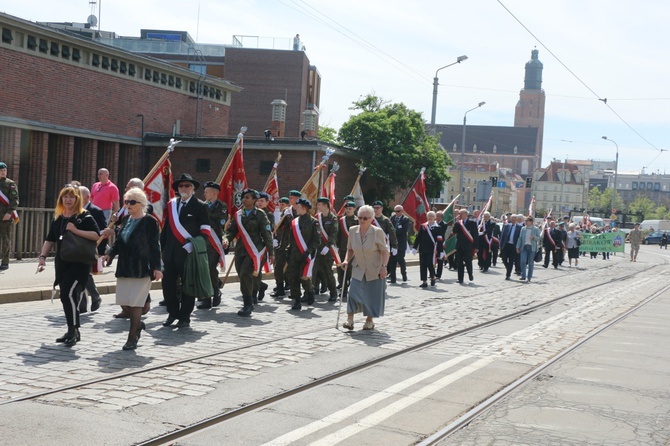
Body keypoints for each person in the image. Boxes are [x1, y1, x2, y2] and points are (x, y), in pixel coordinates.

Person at [37, 185, 100, 346]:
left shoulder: (84, 216)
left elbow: (95, 235)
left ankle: (73, 330)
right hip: (63, 262)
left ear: (77, 199)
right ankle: (73, 330)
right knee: (67, 296)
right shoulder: (59, 217)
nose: (68, 200)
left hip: (80, 263)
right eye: (65, 197)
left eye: (71, 197)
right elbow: (50, 239)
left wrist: (75, 230)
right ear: (61, 199)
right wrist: (42, 257)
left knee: (68, 294)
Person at [103, 188, 162, 350]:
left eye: (132, 202)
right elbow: (119, 242)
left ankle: (132, 337)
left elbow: (154, 246)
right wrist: (110, 254)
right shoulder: (126, 220)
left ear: (141, 204)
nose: (128, 205)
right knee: (124, 302)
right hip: (124, 266)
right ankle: (138, 325)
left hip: (142, 267)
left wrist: (157, 267)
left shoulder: (150, 221)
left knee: (136, 304)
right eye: (126, 202)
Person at [160, 173, 211, 328]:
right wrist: (162, 249)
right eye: (181, 186)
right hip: (170, 253)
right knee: (168, 286)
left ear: (193, 189)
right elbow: (167, 229)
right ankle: (172, 313)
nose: (184, 188)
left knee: (188, 286)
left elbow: (205, 230)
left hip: (188, 253)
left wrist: (193, 245)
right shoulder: (172, 205)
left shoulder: (200, 205)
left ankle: (185, 317)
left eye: (187, 185)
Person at [222, 189, 274, 317]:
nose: (244, 200)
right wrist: (226, 238)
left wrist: (271, 253)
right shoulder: (238, 214)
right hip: (241, 250)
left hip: (255, 250)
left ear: (254, 200)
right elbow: (231, 230)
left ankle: (248, 303)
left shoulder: (260, 215)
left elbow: (267, 235)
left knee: (246, 274)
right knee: (242, 275)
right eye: (243, 197)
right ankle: (253, 293)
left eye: (247, 197)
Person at [340, 205, 389, 331]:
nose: (362, 220)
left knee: (371, 296)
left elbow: (384, 251)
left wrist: (384, 266)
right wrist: (346, 260)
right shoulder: (353, 230)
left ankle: (369, 321)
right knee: (353, 293)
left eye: (365, 218)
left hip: (375, 269)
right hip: (358, 268)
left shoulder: (377, 232)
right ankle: (350, 320)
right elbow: (350, 249)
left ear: (372, 218)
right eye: (360, 217)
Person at [285, 198, 320, 311]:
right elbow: (291, 239)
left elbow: (316, 241)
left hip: (306, 255)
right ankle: (297, 300)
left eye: (298, 207)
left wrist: (308, 252)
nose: (296, 209)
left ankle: (310, 291)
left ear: (304, 208)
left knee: (304, 278)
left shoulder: (313, 222)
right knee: (293, 277)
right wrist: (288, 250)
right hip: (294, 255)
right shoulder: (294, 222)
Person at [197, 181, 228, 309]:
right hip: (202, 241)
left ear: (215, 193)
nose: (204, 193)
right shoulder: (202, 206)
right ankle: (207, 297)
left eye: (207, 191)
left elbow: (220, 223)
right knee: (203, 269)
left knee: (209, 268)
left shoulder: (221, 206)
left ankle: (214, 290)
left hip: (214, 242)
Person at [79, 186, 104, 313]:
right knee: (79, 274)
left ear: (87, 197)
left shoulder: (96, 211)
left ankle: (95, 297)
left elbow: (102, 232)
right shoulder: (74, 210)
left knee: (84, 274)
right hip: (77, 249)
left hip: (91, 248)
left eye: (79, 195)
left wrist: (102, 253)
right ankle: (82, 305)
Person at [314, 197, 339, 302]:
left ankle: (333, 293)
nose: (318, 206)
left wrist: (328, 246)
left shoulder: (333, 218)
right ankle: (313, 291)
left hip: (328, 249)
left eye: (319, 204)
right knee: (314, 270)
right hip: (317, 248)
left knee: (328, 271)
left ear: (325, 205)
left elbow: (334, 233)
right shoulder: (317, 217)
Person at [412, 211, 444, 288]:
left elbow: (440, 240)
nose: (430, 217)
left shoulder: (438, 227)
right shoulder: (423, 226)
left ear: (434, 217)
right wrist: (414, 247)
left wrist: (441, 251)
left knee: (430, 264)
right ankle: (424, 281)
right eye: (428, 216)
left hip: (432, 250)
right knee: (423, 265)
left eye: (431, 216)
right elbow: (418, 238)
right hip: (423, 249)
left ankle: (432, 277)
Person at [252, 191, 274, 303]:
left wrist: (271, 251)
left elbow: (270, 231)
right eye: (258, 201)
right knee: (247, 272)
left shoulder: (269, 215)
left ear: (267, 202)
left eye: (262, 201)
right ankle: (261, 286)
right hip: (250, 246)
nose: (259, 203)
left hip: (261, 247)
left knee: (256, 271)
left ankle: (253, 294)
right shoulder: (252, 213)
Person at [270, 197, 291, 298]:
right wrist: (274, 239)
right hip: (278, 245)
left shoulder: (288, 215)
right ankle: (280, 287)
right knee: (277, 267)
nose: (281, 206)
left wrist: (289, 216)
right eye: (280, 204)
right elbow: (274, 229)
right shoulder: (278, 215)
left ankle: (287, 284)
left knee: (286, 268)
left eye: (283, 204)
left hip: (286, 245)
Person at [336, 201, 357, 298]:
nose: (348, 210)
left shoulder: (357, 221)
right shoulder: (341, 220)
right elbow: (338, 234)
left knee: (351, 271)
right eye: (347, 209)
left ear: (354, 209)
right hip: (343, 248)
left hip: (354, 250)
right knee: (341, 269)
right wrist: (336, 245)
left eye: (350, 209)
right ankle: (343, 289)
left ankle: (352, 288)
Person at [0, 161, 18, 270]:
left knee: (5, 239)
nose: (3, 172)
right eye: (1, 170)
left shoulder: (10, 183)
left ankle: (5, 261)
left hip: (5, 216)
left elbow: (14, 200)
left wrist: (9, 213)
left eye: (5, 170)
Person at [452, 209, 479, 284]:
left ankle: (470, 274)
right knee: (459, 263)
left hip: (468, 246)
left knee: (468, 261)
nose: (459, 215)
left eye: (461, 213)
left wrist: (476, 247)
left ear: (465, 214)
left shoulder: (472, 223)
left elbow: (475, 235)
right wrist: (457, 222)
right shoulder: (459, 223)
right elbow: (454, 231)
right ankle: (460, 279)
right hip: (459, 246)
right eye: (459, 213)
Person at [389, 205, 410, 283]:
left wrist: (394, 231)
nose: (396, 213)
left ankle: (404, 274)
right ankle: (393, 279)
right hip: (393, 243)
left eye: (398, 211)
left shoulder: (405, 219)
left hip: (401, 244)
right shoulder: (392, 218)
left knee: (400, 260)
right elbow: (389, 228)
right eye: (395, 211)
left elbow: (403, 231)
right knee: (392, 261)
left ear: (402, 211)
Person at [516, 216, 540, 282]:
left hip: (532, 248)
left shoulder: (536, 229)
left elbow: (539, 238)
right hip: (524, 247)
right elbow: (520, 238)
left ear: (531, 222)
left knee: (530, 263)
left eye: (527, 221)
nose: (526, 222)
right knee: (523, 261)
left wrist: (534, 237)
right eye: (525, 221)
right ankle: (523, 276)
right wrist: (517, 246)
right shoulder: (523, 229)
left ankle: (529, 277)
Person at [500, 214, 520, 280]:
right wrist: (500, 245)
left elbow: (520, 238)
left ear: (516, 220)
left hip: (513, 246)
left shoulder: (519, 227)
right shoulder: (506, 226)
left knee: (511, 260)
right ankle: (508, 267)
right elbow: (502, 236)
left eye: (514, 219)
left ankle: (508, 274)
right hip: (506, 245)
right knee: (504, 259)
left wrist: (518, 247)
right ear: (510, 219)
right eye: (512, 219)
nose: (513, 221)